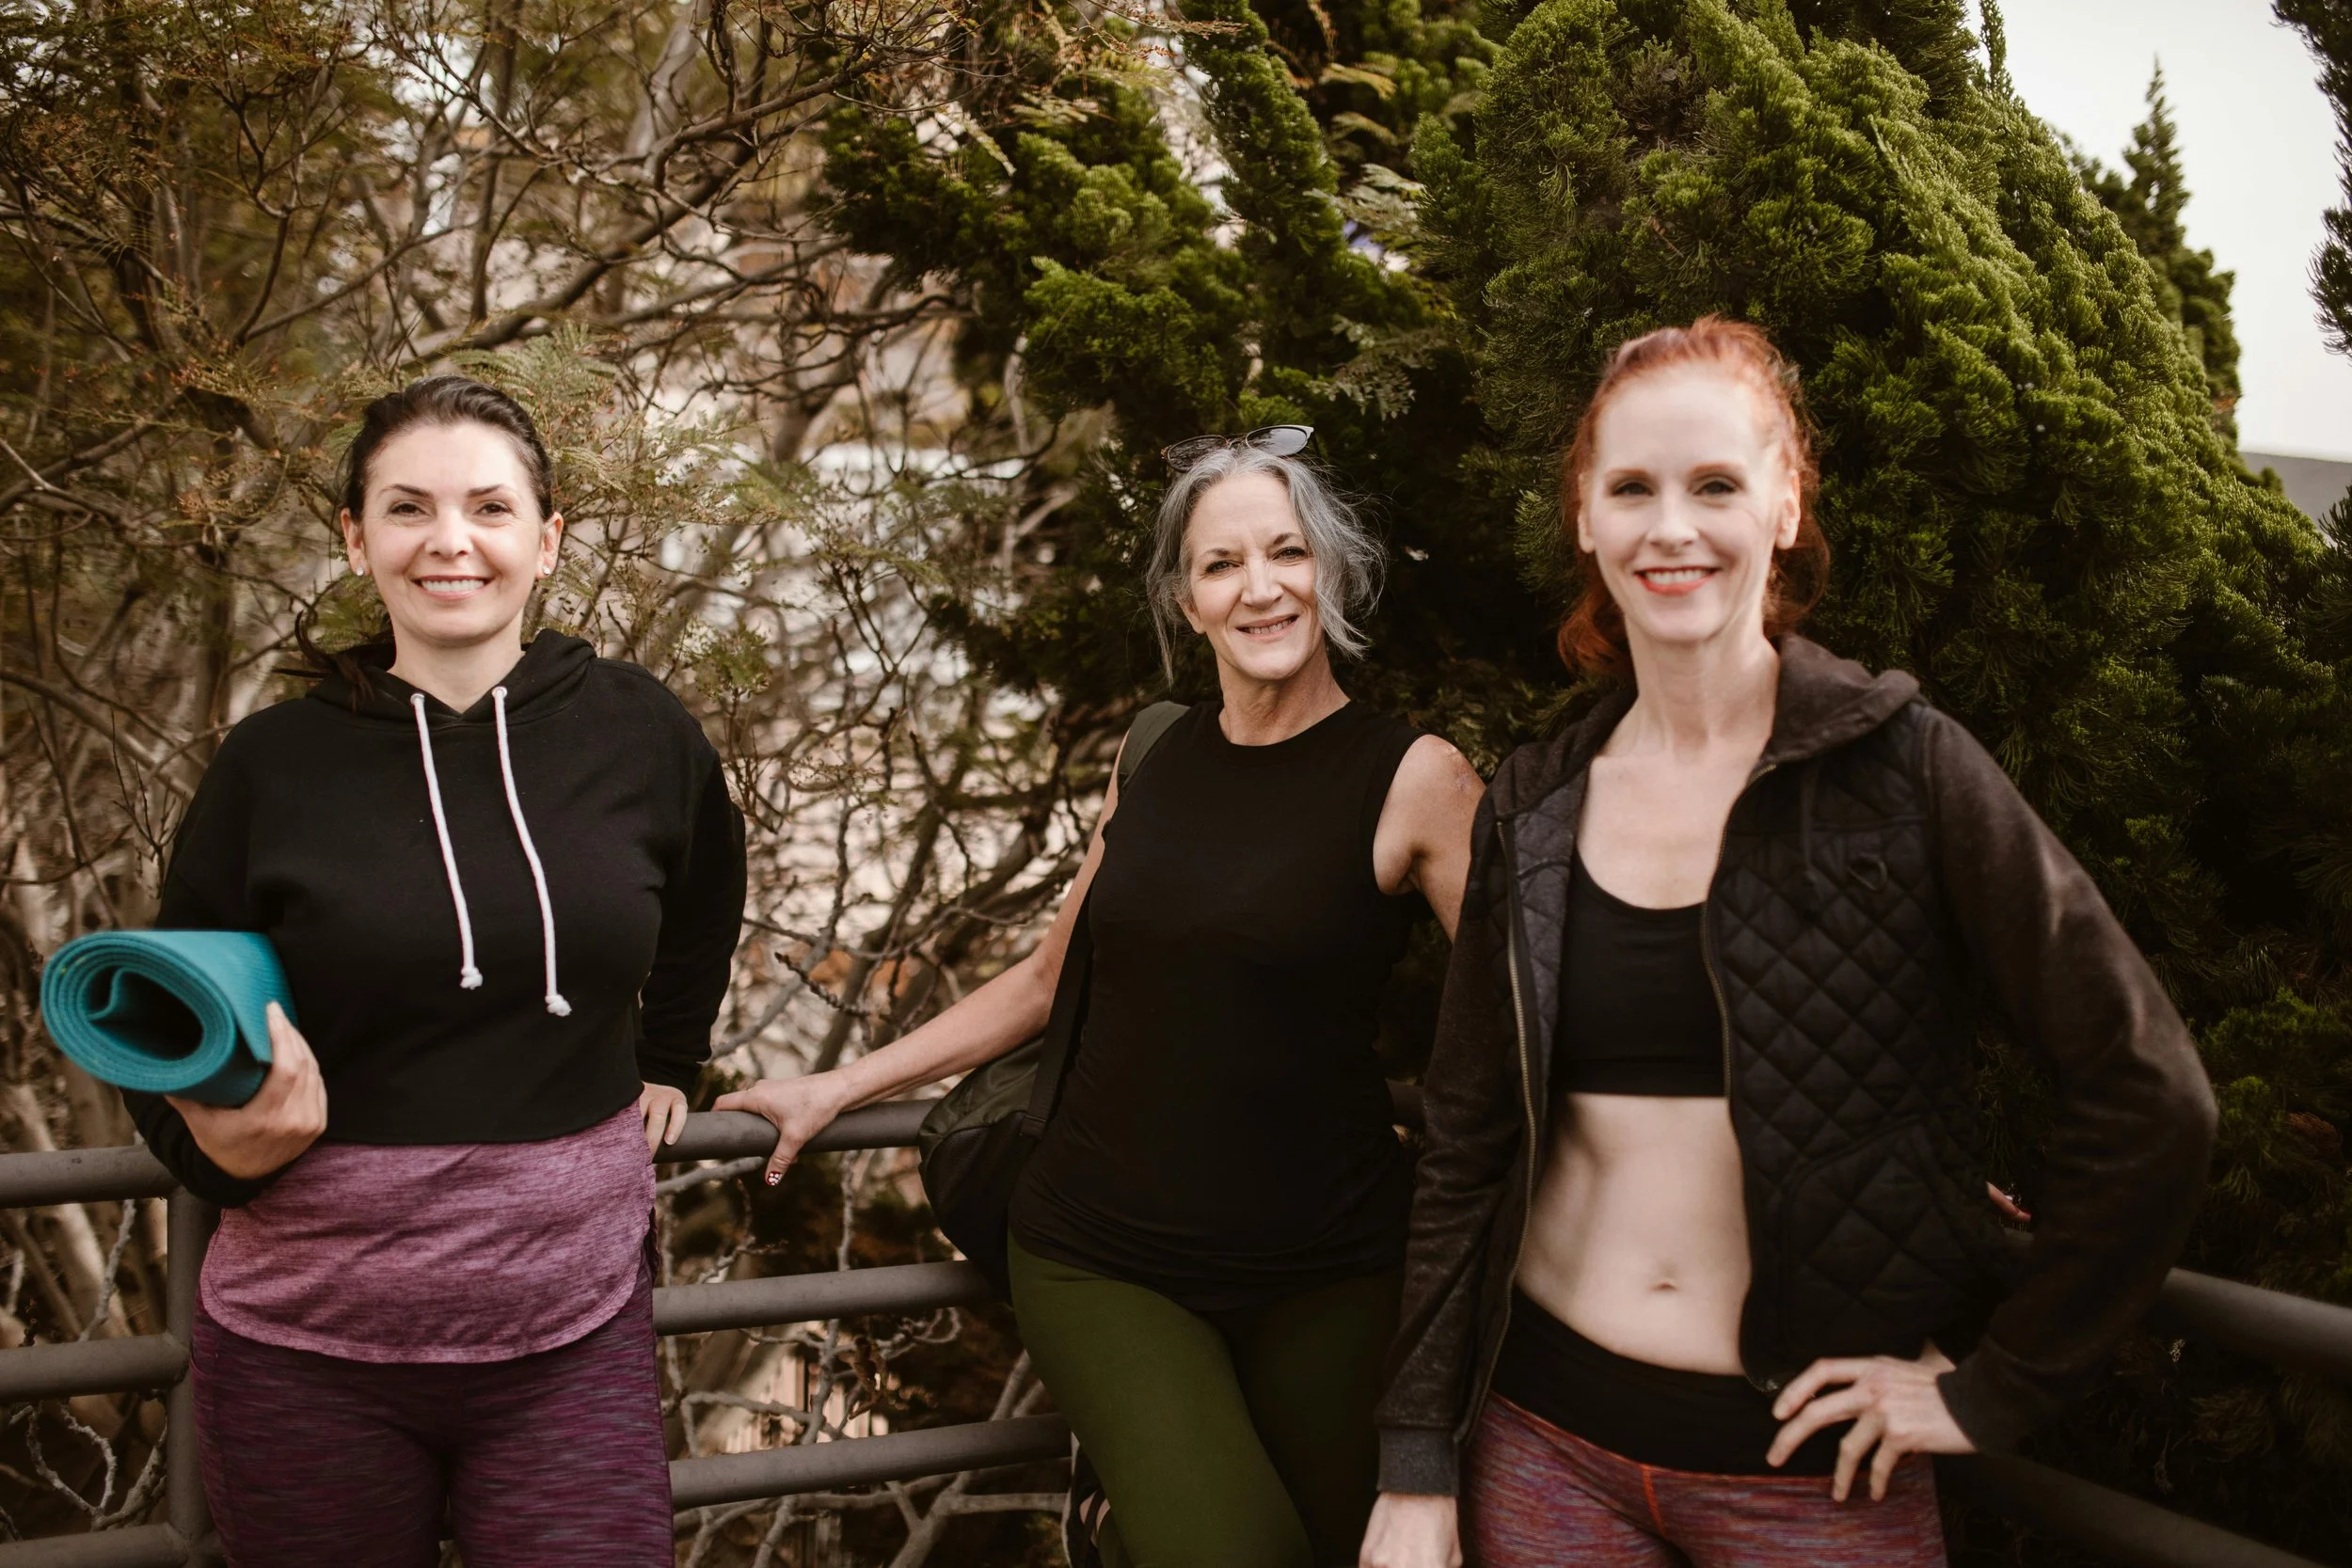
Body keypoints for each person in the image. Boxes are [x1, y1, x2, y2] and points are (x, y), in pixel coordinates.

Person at [1359, 319, 2217, 1568]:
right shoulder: (1534, 802)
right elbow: (1466, 1142)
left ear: (1784, 502)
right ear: (1585, 520)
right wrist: (1419, 1458)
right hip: (1545, 1443)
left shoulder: (1907, 770)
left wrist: (1996, 1383)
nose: (1672, 529)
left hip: (1811, 1478)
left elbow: (2152, 1093)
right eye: (1632, 489)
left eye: (1715, 484)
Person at [720, 427, 1483, 1568]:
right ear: (1187, 598)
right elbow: (1044, 977)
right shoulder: (1157, 750)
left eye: (1286, 553)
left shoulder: (1417, 777)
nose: (1260, 587)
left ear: (1331, 568)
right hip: (1102, 1250)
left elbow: (1518, 1017)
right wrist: (839, 1084)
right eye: (1222, 564)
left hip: (1329, 1262)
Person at [123, 375, 745, 1567]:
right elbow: (157, 1014)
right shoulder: (274, 763)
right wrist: (210, 1154)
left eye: (490, 508)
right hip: (309, 1355)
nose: (449, 541)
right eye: (407, 508)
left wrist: (671, 1056)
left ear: (547, 540)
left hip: (573, 1338)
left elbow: (711, 895)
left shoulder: (638, 730)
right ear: (357, 538)